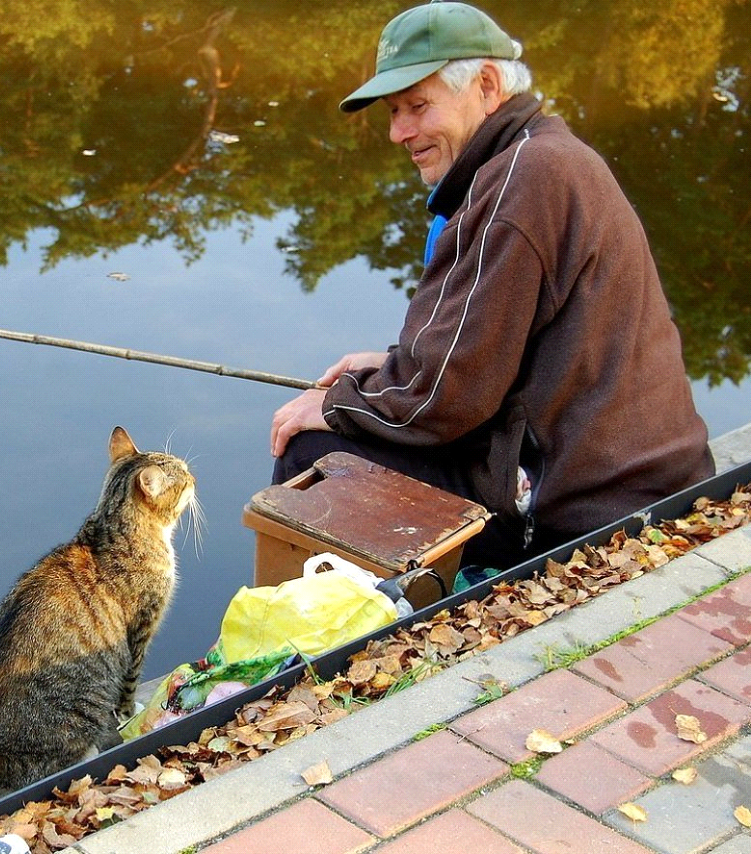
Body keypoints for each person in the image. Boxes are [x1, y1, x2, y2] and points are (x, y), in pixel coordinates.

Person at [269, 0, 715, 569]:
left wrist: (336, 406)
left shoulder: (519, 185)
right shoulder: (545, 157)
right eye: (393, 112)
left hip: (591, 518)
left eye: (417, 106)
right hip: (652, 486)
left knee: (313, 454)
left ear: (484, 84)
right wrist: (387, 366)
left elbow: (443, 396)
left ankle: (325, 645)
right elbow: (483, 355)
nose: (398, 131)